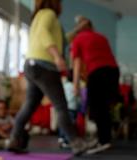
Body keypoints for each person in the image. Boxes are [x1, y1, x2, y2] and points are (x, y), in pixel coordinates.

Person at [8, 0, 94, 155]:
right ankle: (76, 142)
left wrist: (78, 30)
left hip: (32, 65)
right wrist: (56, 57)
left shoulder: (40, 16)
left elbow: (61, 41)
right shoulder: (49, 13)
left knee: (29, 105)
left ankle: (14, 139)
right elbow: (43, 32)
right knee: (61, 106)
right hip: (45, 66)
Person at [71, 16, 120, 154]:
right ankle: (103, 138)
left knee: (97, 107)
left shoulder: (78, 38)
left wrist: (75, 84)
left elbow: (77, 63)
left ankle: (104, 141)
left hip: (98, 72)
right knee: (103, 107)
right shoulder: (102, 37)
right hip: (113, 71)